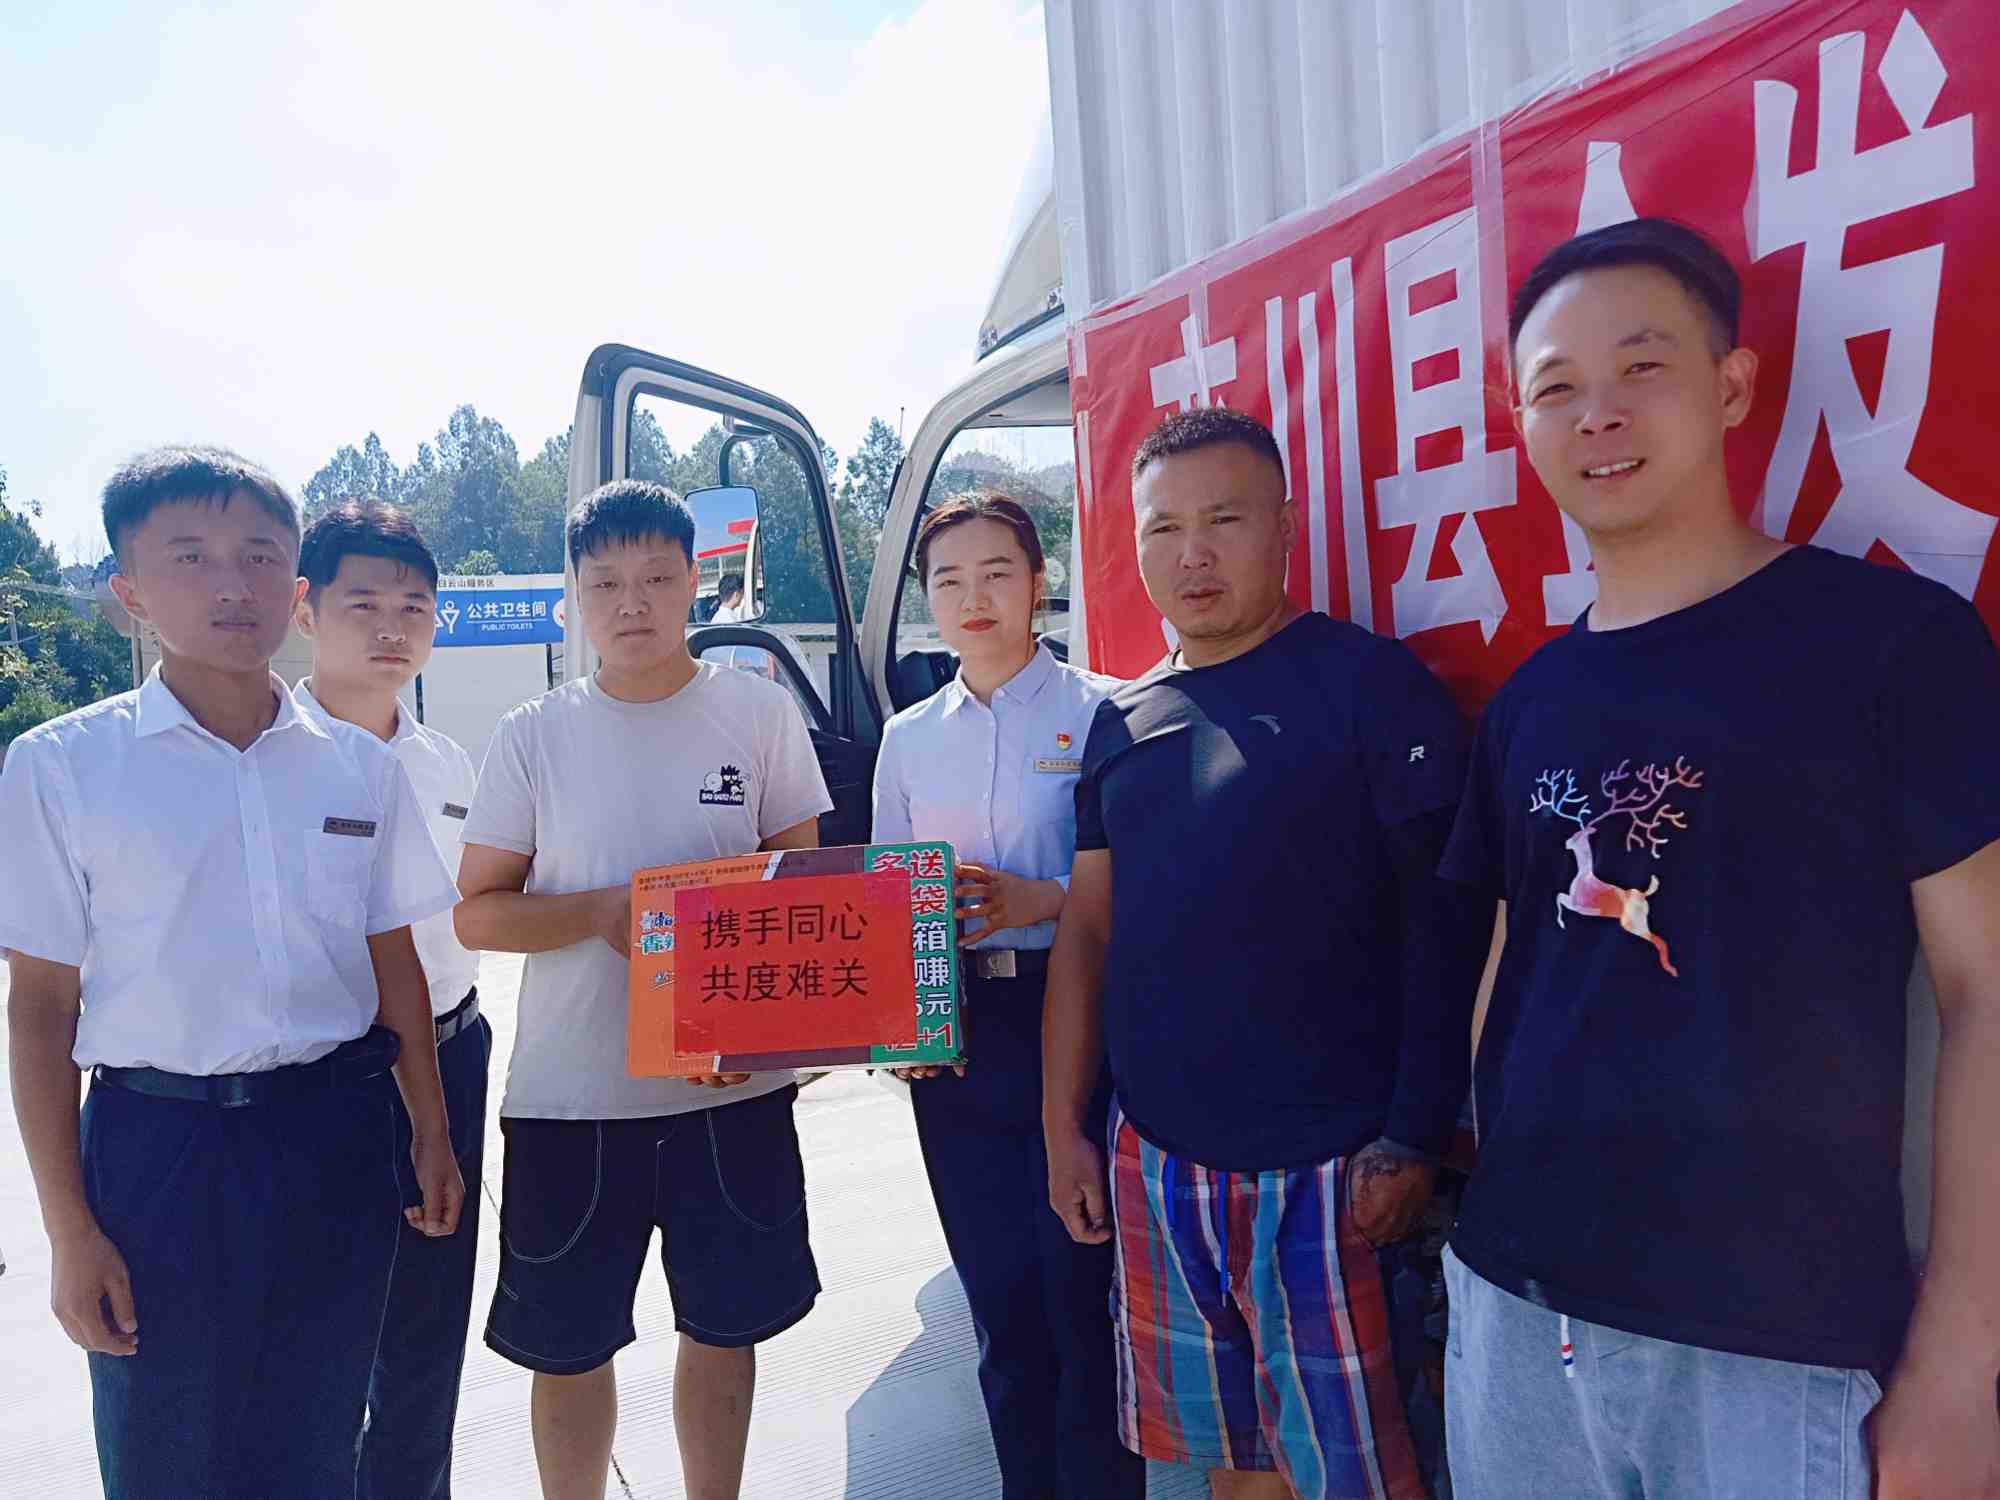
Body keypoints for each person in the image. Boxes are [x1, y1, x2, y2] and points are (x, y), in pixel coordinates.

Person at [1439, 217, 2000, 1499]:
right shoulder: (1528, 701)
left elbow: (1984, 993)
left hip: (1771, 1344)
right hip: (1516, 1312)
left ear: (1731, 385)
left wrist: (1961, 1361)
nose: (1597, 414)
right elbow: (1509, 968)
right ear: (1520, 423)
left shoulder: (1888, 646)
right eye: (1555, 388)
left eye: (1640, 367)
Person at [0, 446, 463, 1499]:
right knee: (166, 1454)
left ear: (293, 585)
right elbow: (40, 1009)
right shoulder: (64, 768)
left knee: (317, 1442)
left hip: (335, 1139)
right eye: (190, 556)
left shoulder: (357, 767)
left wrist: (429, 1131)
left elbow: (391, 956)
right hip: (158, 1153)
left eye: (258, 555)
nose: (231, 585)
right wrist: (70, 1230)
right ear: (129, 591)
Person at [1043, 408, 1484, 1500]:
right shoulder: (1122, 721)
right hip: (1159, 1161)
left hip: (1332, 1175)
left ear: (1285, 526)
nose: (1191, 554)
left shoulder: (1370, 687)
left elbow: (1446, 927)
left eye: (1224, 520)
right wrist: (1064, 1130)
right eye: (1163, 528)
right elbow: (1088, 933)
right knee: (1226, 1466)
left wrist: (1412, 1135)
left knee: (1357, 1476)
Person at [453, 479, 833, 1500]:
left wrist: (765, 1039)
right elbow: (477, 914)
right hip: (572, 1099)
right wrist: (601, 913)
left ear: (694, 582)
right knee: (567, 1347)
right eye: (606, 582)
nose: (633, 603)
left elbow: (803, 897)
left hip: (733, 1095)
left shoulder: (757, 714)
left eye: (658, 577)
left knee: (725, 1329)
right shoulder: (533, 734)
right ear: (575, 594)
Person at [872, 492, 1144, 1499]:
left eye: (996, 572)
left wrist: (1045, 897)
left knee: (1085, 1304)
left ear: (1038, 582)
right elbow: (888, 897)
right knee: (1000, 1310)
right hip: (959, 1041)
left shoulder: (1107, 711)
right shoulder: (909, 738)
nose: (973, 596)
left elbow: (1154, 875)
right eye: (948, 579)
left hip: (1078, 1022)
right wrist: (899, 1024)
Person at [293, 499, 490, 1500]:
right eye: (362, 603)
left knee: (426, 1329)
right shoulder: (267, 760)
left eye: (413, 608)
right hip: (324, 1076)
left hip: (453, 1050)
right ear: (306, 610)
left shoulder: (448, 762)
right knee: (318, 1338)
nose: (390, 628)